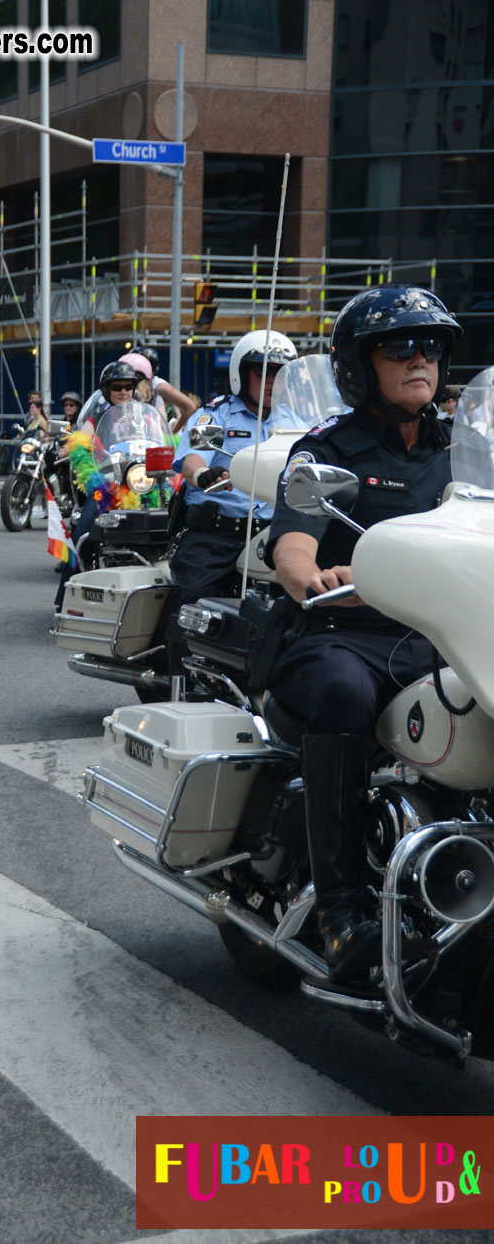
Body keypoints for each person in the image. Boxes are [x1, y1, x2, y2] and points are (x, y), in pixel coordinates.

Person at [265, 284, 462, 982]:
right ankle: (340, 910)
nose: (419, 358)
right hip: (343, 635)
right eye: (399, 346)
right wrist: (314, 577)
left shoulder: (467, 451)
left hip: (439, 636)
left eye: (430, 345)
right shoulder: (327, 450)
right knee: (344, 692)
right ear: (359, 363)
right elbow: (291, 548)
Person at [169, 330, 297, 605]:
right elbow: (193, 461)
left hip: (275, 534)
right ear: (241, 374)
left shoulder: (297, 421)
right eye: (262, 371)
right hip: (218, 536)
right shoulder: (217, 414)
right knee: (194, 599)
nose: (272, 380)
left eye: (280, 373)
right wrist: (203, 475)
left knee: (313, 596)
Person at [53, 361, 141, 612]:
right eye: (117, 387)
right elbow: (84, 436)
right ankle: (63, 601)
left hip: (142, 486)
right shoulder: (99, 418)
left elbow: (162, 438)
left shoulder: (143, 418)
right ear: (106, 391)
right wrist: (75, 445)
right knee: (82, 535)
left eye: (128, 387)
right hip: (108, 487)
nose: (123, 392)